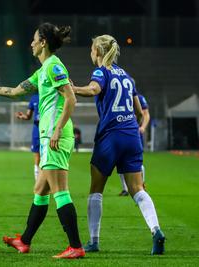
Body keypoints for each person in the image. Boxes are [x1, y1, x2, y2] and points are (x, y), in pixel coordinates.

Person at [0, 22, 85, 259]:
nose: (30, 43)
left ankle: (75, 247)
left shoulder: (53, 66)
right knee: (40, 190)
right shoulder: (43, 71)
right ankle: (24, 241)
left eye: (34, 39)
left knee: (60, 191)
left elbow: (71, 98)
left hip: (55, 136)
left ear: (43, 42)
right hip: (48, 136)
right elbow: (15, 91)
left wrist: (57, 130)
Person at [71, 34, 165, 255]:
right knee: (137, 189)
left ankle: (93, 241)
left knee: (96, 190)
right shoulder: (127, 77)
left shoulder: (100, 72)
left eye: (92, 49)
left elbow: (93, 89)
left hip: (110, 137)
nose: (90, 53)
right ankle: (156, 230)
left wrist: (71, 88)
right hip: (132, 135)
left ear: (98, 52)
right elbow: (140, 113)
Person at [118, 92, 150, 196]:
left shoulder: (139, 98)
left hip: (134, 133)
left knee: (136, 161)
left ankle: (141, 186)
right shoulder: (119, 97)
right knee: (119, 161)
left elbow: (145, 113)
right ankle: (125, 188)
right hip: (121, 132)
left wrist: (143, 127)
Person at [15, 93, 40, 180]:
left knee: (49, 156)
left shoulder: (51, 93)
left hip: (50, 129)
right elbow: (28, 116)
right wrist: (23, 116)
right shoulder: (34, 98)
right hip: (37, 130)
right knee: (37, 155)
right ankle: (37, 180)